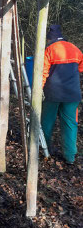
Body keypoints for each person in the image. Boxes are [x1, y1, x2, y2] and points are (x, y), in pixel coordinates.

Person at [41, 24, 83, 164]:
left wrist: (39, 89)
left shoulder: (49, 49)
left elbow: (43, 72)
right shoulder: (75, 49)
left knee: (47, 121)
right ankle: (70, 156)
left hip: (52, 94)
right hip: (72, 94)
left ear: (50, 38)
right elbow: (81, 68)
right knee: (70, 124)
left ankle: (44, 148)